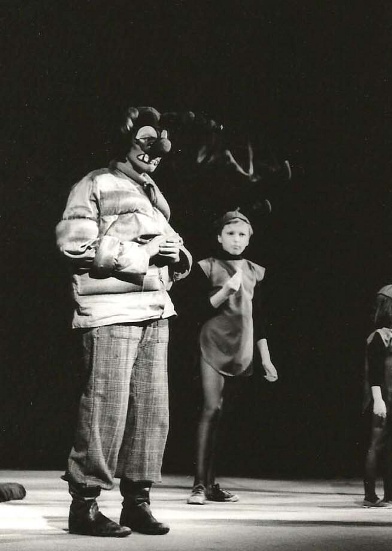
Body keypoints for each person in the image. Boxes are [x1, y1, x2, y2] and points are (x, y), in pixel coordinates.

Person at [56, 106, 192, 537]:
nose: (154, 152)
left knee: (152, 412)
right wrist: (143, 254)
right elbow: (74, 245)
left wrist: (177, 256)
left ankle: (137, 502)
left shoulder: (151, 192)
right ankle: (85, 505)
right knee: (105, 409)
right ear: (124, 141)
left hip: (155, 310)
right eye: (145, 142)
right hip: (111, 313)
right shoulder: (95, 183)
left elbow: (169, 247)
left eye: (159, 144)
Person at [186, 210, 278, 505]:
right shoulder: (207, 267)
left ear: (249, 239)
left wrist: (266, 358)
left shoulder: (255, 271)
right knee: (211, 409)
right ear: (219, 237)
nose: (236, 240)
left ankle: (212, 484)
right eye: (230, 234)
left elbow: (259, 318)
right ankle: (199, 485)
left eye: (242, 235)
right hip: (213, 343)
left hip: (243, 349)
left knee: (225, 417)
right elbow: (197, 310)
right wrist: (226, 289)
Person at [361, 282, 392, 509]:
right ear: (391, 310)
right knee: (377, 443)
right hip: (381, 397)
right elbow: (374, 372)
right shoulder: (378, 337)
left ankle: (390, 495)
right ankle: (370, 496)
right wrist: (378, 399)